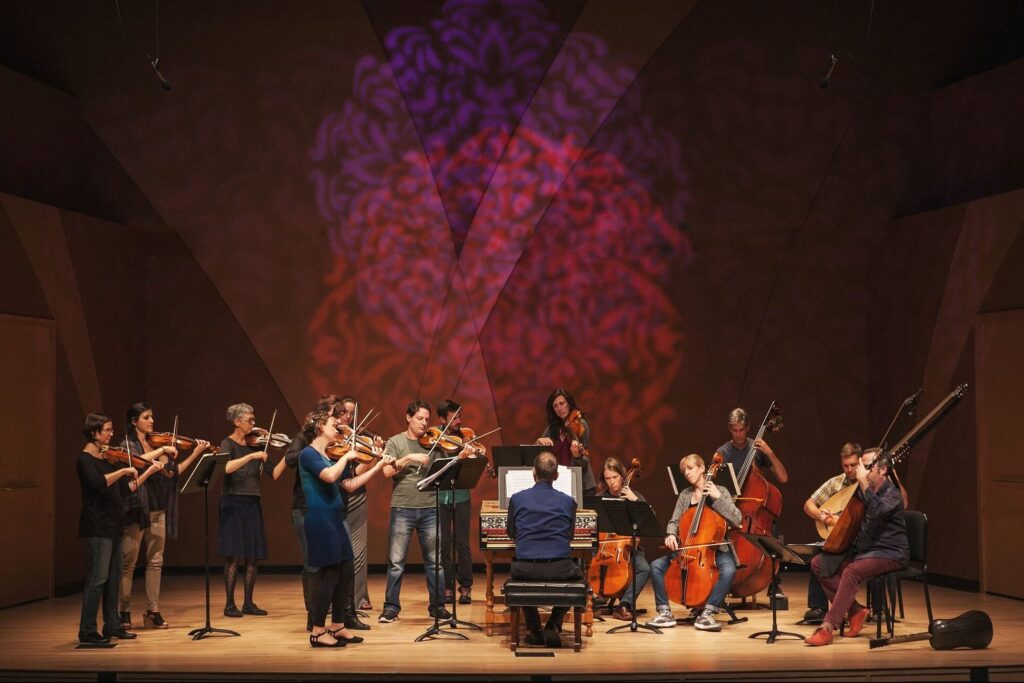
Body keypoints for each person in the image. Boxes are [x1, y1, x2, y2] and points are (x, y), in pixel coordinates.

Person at [804, 448, 909, 646]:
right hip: (866, 552)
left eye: (866, 467)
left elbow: (877, 511)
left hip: (890, 553)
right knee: (819, 563)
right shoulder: (862, 493)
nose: (861, 471)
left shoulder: (892, 495)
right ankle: (855, 610)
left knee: (851, 571)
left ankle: (827, 627)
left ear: (883, 470)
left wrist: (862, 483)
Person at [118, 402, 209, 630]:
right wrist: (162, 450)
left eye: (152, 417)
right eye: (147, 417)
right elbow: (139, 463)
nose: (152, 421)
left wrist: (196, 453)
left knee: (156, 562)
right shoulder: (127, 445)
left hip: (158, 509)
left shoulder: (156, 444)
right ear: (134, 421)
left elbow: (173, 473)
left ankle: (153, 610)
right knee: (128, 563)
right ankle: (123, 611)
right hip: (136, 510)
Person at [77, 412, 157, 643]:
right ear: (95, 433)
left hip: (113, 525)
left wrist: (146, 473)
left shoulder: (106, 459)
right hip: (97, 525)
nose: (112, 434)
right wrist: (122, 470)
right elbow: (99, 485)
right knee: (97, 579)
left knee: (113, 579)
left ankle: (112, 625)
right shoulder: (84, 460)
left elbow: (125, 489)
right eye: (108, 430)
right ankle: (87, 630)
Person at [298, 408, 372, 648]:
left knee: (347, 571)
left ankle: (337, 625)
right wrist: (345, 458)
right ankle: (318, 631)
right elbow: (329, 477)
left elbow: (347, 482)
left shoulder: (328, 455)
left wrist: (377, 461)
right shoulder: (308, 455)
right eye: (332, 424)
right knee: (329, 575)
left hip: (334, 518)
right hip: (320, 519)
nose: (337, 427)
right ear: (319, 427)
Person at [644, 454, 742, 631]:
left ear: (703, 468)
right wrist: (671, 535)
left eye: (690, 468)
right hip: (688, 548)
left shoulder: (721, 491)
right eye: (684, 471)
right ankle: (664, 612)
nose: (686, 473)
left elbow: (737, 519)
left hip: (716, 549)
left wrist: (718, 497)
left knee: (729, 570)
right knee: (656, 565)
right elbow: (674, 521)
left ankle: (708, 613)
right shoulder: (685, 495)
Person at [273, 394, 340, 631]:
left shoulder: (330, 442)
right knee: (312, 563)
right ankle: (313, 616)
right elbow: (292, 457)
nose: (339, 424)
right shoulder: (304, 441)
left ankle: (331, 616)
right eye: (335, 417)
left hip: (325, 508)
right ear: (322, 419)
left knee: (330, 563)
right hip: (305, 506)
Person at [378, 400, 447, 623]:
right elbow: (387, 471)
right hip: (403, 508)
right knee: (396, 562)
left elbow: (444, 471)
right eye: (420, 418)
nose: (424, 423)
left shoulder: (433, 443)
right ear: (408, 417)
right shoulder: (395, 442)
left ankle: (438, 607)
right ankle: (391, 608)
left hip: (430, 508)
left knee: (435, 562)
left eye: (427, 419)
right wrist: (408, 458)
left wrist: (460, 457)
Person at [506, 451, 582, 648]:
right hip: (559, 568)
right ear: (556, 476)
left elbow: (511, 533)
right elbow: (570, 536)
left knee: (520, 578)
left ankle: (535, 630)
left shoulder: (517, 499)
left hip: (526, 568)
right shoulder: (568, 501)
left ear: (533, 473)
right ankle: (552, 624)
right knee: (578, 576)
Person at [219, 403, 271, 618]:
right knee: (233, 556)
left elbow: (273, 472)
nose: (254, 424)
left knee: (252, 556)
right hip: (232, 503)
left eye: (253, 420)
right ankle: (230, 604)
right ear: (236, 421)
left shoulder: (256, 446)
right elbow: (225, 467)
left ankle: (248, 602)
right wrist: (250, 456)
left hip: (252, 502)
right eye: (250, 420)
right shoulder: (227, 443)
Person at [801, 442, 862, 622]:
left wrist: (838, 521)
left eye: (853, 465)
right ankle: (818, 607)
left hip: (860, 541)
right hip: (839, 539)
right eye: (846, 466)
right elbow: (808, 504)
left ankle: (851, 609)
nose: (849, 469)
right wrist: (821, 516)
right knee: (819, 555)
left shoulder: (866, 484)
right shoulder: (835, 483)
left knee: (826, 558)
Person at [596, 457, 651, 622]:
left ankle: (624, 604)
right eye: (607, 478)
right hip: (604, 547)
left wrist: (635, 501)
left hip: (629, 549)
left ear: (622, 476)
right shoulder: (600, 498)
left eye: (615, 477)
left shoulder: (635, 496)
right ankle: (595, 597)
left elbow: (649, 521)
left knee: (644, 568)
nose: (611, 482)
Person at [436, 399, 476, 606]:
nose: (459, 421)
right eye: (454, 418)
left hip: (461, 497)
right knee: (443, 544)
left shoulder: (466, 437)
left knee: (462, 543)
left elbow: (473, 466)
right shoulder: (435, 437)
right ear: (442, 419)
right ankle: (447, 586)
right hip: (441, 497)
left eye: (459, 416)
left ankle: (466, 586)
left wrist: (470, 455)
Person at [536, 389, 595, 496]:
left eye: (562, 403)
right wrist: (538, 442)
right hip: (559, 483)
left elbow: (585, 462)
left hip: (582, 485)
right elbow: (538, 454)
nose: (559, 408)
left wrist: (577, 456)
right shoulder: (551, 429)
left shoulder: (581, 425)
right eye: (555, 406)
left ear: (569, 403)